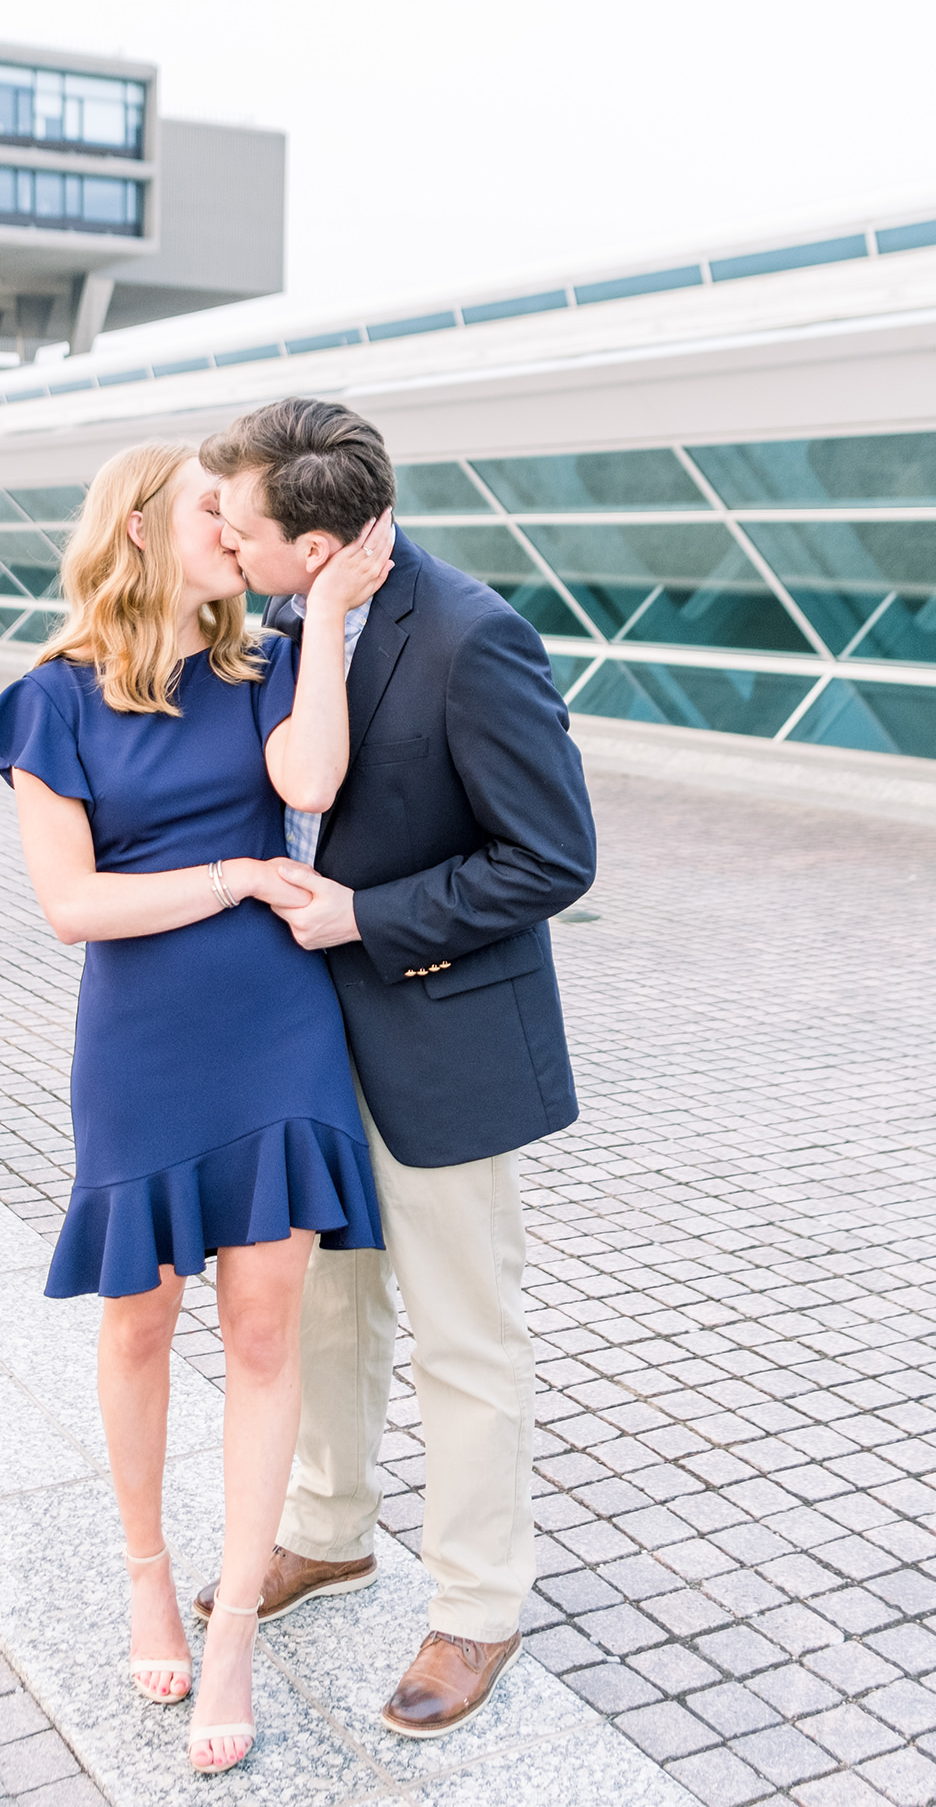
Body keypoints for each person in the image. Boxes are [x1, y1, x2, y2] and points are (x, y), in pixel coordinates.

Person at [0, 440, 391, 1774]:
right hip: (145, 1044)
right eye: (217, 508)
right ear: (143, 528)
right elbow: (71, 906)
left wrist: (321, 613)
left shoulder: (259, 665)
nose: (242, 525)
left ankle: (230, 1636)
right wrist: (232, 879)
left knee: (268, 1334)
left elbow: (311, 787)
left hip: (279, 1034)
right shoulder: (52, 698)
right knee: (140, 1323)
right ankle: (147, 1571)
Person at [193, 398, 597, 1737]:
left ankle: (479, 1606)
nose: (223, 540)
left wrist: (368, 916)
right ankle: (331, 1527)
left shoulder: (477, 639)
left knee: (466, 1336)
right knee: (327, 1312)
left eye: (240, 526)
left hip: (441, 1041)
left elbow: (552, 858)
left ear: (313, 546)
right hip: (307, 1045)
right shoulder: (273, 632)